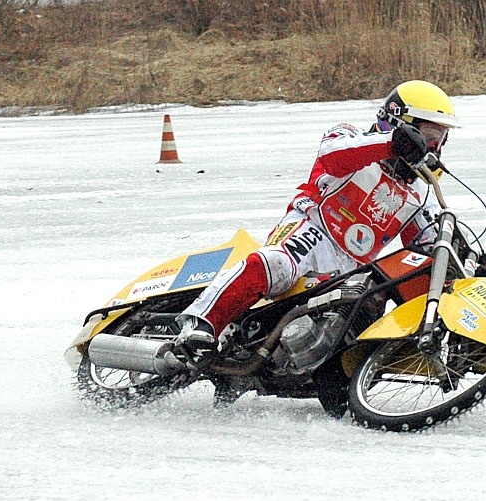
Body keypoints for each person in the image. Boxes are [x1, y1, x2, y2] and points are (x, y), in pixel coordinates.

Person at [173, 80, 467, 362]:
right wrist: (391, 144)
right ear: (399, 121)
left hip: (352, 266)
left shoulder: (420, 191)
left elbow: (428, 244)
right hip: (311, 230)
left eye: (440, 139)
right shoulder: (348, 135)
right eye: (428, 135)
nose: (433, 147)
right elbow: (333, 158)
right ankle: (200, 324)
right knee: (275, 263)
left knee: (366, 310)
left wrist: (464, 261)